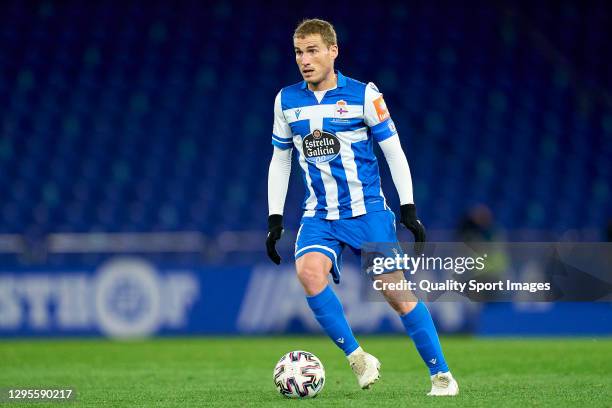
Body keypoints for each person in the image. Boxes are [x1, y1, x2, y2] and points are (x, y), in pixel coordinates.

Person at [265, 18, 458, 396]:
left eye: (313, 50)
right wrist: (274, 218)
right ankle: (358, 358)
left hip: (367, 211)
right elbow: (280, 160)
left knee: (396, 293)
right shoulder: (285, 100)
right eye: (299, 52)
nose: (305, 60)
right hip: (319, 215)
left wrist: (408, 208)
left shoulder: (364, 95)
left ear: (333, 51)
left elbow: (393, 151)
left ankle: (442, 376)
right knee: (308, 271)